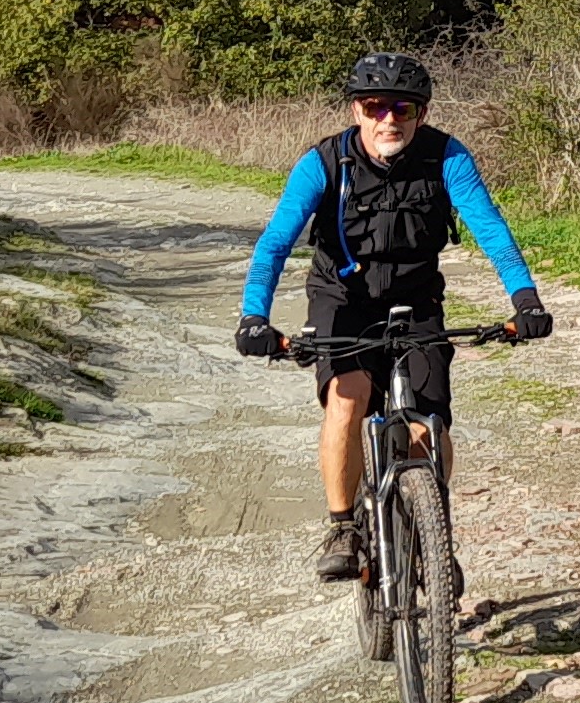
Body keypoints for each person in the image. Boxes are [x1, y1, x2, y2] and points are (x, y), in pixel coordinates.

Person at [234, 52, 552, 579]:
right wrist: (253, 316)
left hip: (416, 300)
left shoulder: (446, 158)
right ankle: (343, 526)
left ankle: (433, 532)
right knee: (348, 396)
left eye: (403, 108)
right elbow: (273, 245)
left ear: (421, 114)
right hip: (342, 300)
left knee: (429, 424)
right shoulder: (325, 163)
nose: (389, 119)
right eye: (376, 106)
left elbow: (491, 229)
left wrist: (526, 300)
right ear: (357, 110)